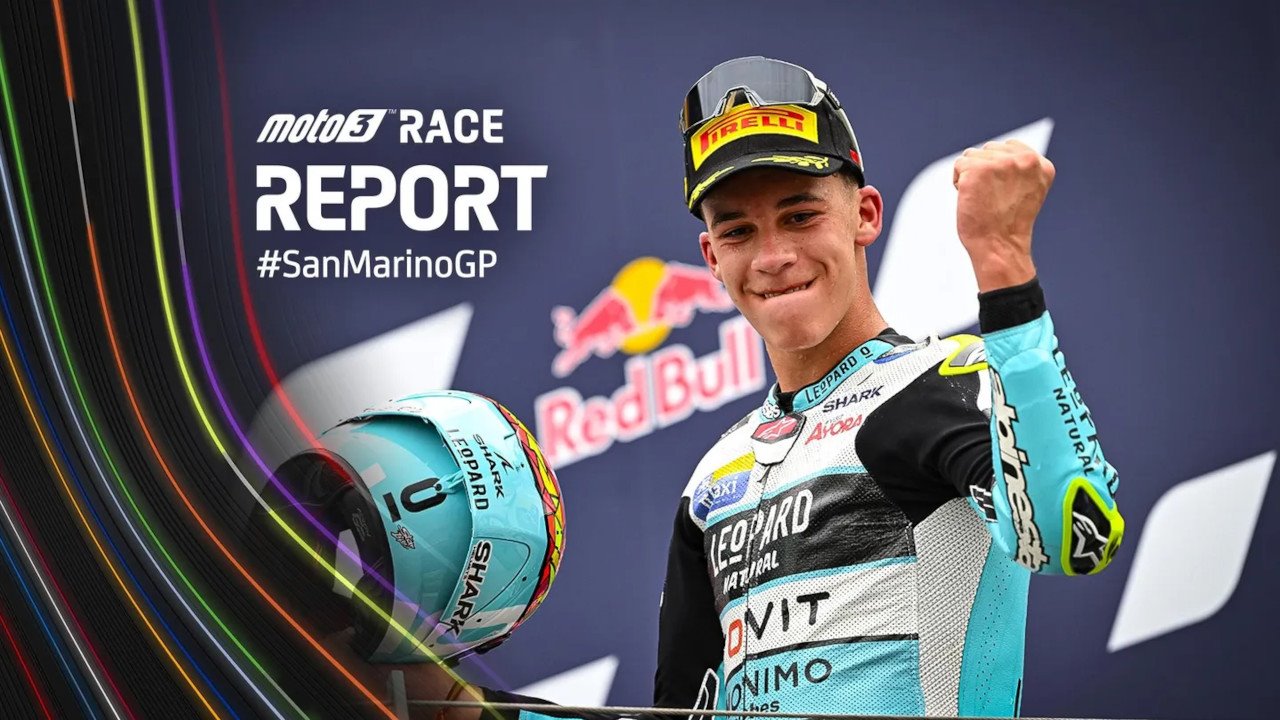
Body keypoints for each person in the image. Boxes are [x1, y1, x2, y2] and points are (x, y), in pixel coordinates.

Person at [323, 56, 1124, 720]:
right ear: (711, 257)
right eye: (739, 231)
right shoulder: (715, 478)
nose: (772, 255)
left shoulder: (940, 384)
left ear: (866, 214)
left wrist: (1002, 261)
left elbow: (1074, 535)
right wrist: (448, 702)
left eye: (800, 216)